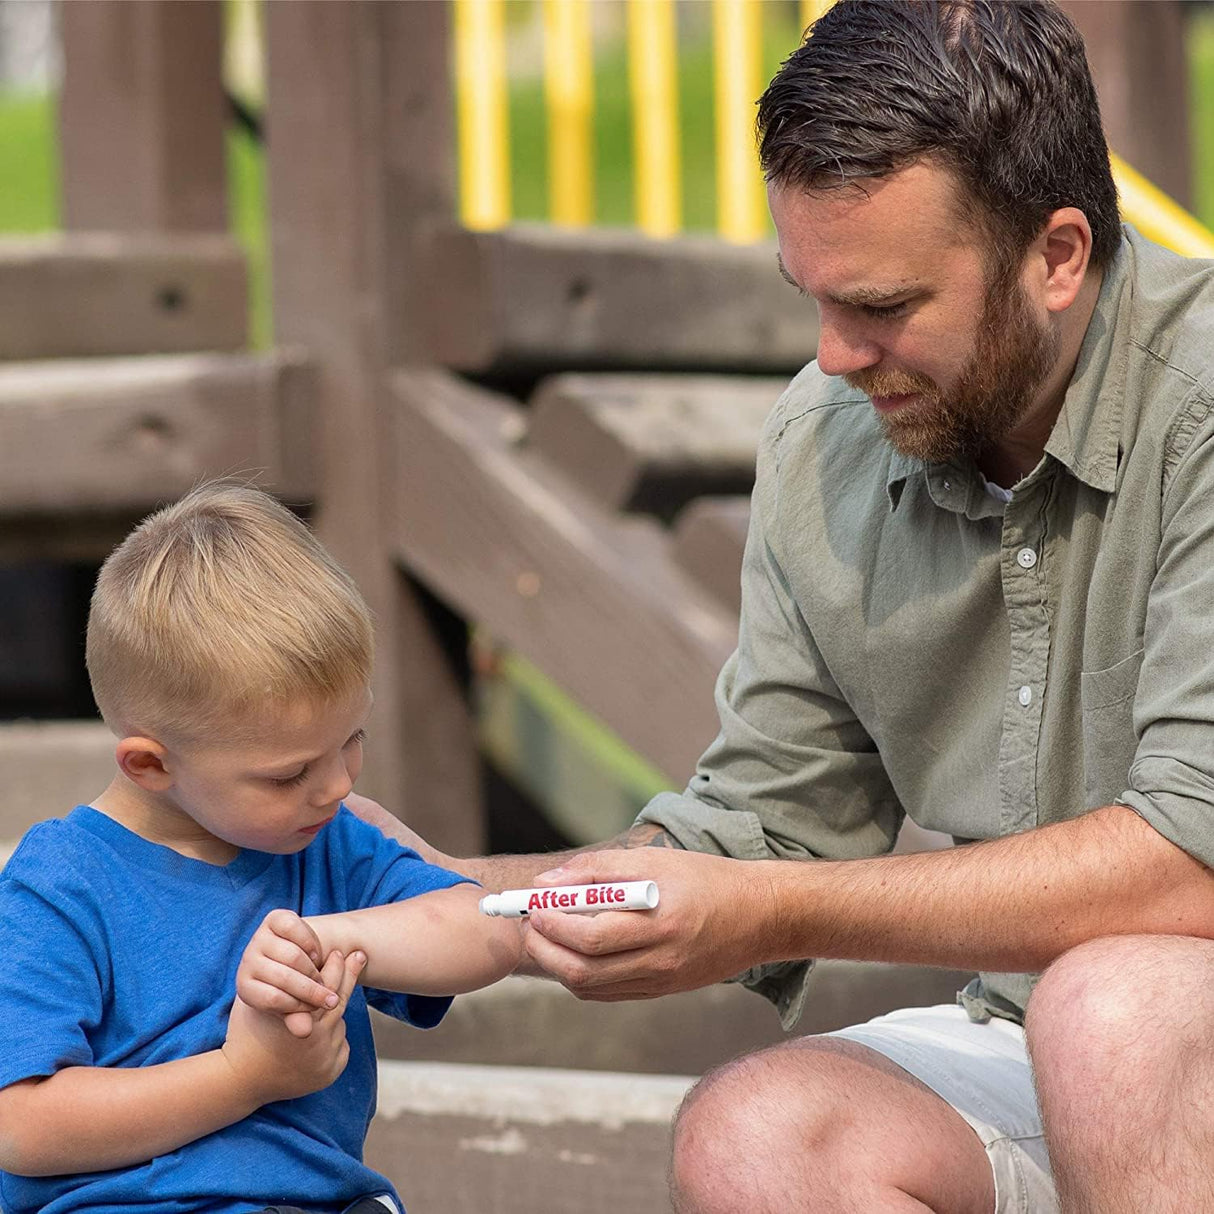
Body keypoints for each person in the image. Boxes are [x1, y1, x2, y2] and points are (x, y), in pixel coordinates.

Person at [349, 1, 1214, 1210]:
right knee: (755, 1137)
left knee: (1110, 1008)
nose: (831, 354)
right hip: (1064, 1041)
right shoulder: (825, 442)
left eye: (880, 305)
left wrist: (760, 908)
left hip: (1144, 1028)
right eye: (808, 295)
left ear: (1056, 256)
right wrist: (487, 898)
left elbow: (1190, 862)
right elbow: (765, 826)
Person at [0, 483, 521, 1214]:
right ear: (150, 766)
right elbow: (20, 1127)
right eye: (290, 773)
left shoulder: (328, 848)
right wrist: (246, 1075)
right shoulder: (57, 887)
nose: (337, 784)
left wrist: (328, 937)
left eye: (353, 741)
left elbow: (489, 927)